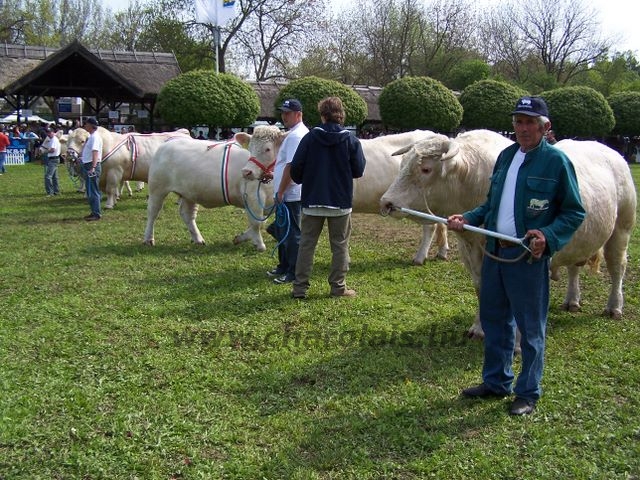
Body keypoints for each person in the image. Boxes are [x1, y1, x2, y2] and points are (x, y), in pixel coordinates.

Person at [447, 96, 585, 416]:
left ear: (544, 126)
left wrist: (547, 236)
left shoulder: (556, 162)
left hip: (528, 258)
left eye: (529, 122)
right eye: (518, 122)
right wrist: (468, 218)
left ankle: (528, 392)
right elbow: (491, 205)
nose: (522, 128)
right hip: (495, 254)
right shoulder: (506, 157)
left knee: (531, 328)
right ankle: (496, 381)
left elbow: (574, 212)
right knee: (495, 322)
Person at [289, 96, 366, 298]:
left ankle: (300, 288)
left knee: (306, 244)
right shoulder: (350, 139)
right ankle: (338, 287)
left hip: (312, 199)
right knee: (340, 246)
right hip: (340, 201)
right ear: (340, 115)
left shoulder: (310, 137)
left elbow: (296, 166)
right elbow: (358, 169)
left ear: (323, 116)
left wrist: (303, 180)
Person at [267, 99, 310, 284]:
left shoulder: (295, 136)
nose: (284, 116)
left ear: (298, 114)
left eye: (288, 113)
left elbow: (292, 167)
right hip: (288, 192)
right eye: (283, 113)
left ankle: (293, 271)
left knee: (291, 234)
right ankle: (284, 265)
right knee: (284, 229)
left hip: (291, 194)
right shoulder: (295, 134)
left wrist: (281, 190)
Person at [80, 117, 103, 221]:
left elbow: (95, 152)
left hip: (91, 166)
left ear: (91, 125)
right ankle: (94, 211)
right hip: (88, 164)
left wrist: (93, 167)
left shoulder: (95, 137)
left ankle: (96, 213)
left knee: (93, 190)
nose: (85, 125)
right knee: (90, 190)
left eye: (86, 124)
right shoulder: (92, 136)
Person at [40, 128, 61, 196]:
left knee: (48, 176)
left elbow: (52, 150)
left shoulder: (54, 140)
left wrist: (44, 152)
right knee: (55, 177)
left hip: (53, 159)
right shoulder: (51, 139)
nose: (48, 134)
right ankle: (56, 191)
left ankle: (50, 192)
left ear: (53, 132)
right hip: (53, 159)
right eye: (47, 132)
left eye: (50, 132)